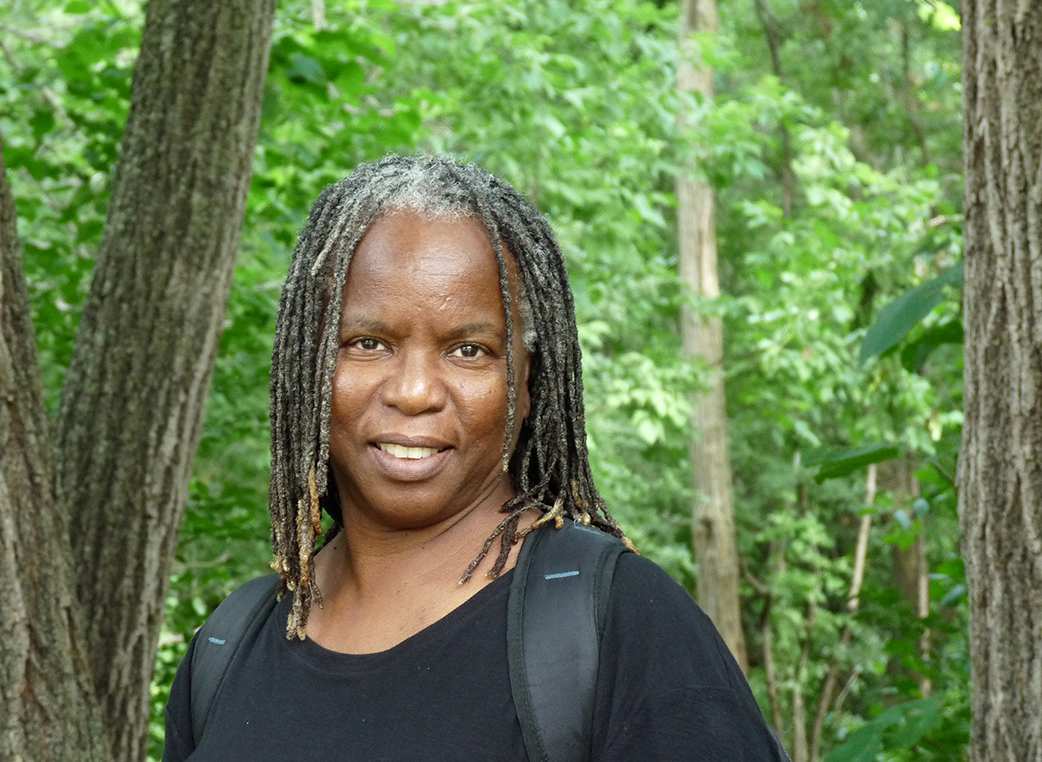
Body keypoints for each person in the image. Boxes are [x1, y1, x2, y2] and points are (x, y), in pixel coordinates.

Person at [162, 156, 786, 761]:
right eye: (368, 342)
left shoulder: (624, 630)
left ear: (528, 382)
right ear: (307, 364)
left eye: (469, 351)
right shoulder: (228, 648)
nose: (414, 392)